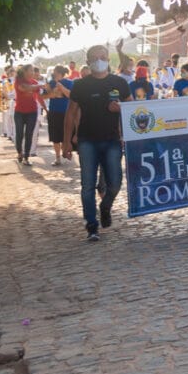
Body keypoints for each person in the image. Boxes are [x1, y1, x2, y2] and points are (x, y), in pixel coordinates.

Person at [63, 45, 132, 241]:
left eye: (102, 57)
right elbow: (70, 113)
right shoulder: (80, 85)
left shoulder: (119, 82)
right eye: (95, 58)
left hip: (112, 140)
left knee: (116, 183)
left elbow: (135, 108)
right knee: (87, 185)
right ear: (88, 61)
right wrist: (67, 141)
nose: (99, 60)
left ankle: (105, 206)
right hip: (87, 141)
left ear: (108, 59)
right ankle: (91, 225)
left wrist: (121, 109)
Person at [13, 64, 46, 165]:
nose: (33, 73)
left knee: (29, 135)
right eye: (31, 70)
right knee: (19, 134)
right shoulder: (19, 81)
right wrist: (39, 85)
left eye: (33, 71)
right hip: (19, 112)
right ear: (25, 71)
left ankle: (26, 158)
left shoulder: (34, 82)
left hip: (32, 112)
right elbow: (24, 88)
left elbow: (39, 96)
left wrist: (45, 108)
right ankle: (19, 153)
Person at [45, 65, 74, 165]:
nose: (53, 73)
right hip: (53, 112)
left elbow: (71, 95)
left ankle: (66, 152)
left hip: (66, 112)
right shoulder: (50, 83)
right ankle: (57, 158)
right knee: (55, 136)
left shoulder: (70, 82)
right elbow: (43, 96)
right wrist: (52, 93)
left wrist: (61, 88)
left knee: (66, 135)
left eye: (55, 71)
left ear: (59, 72)